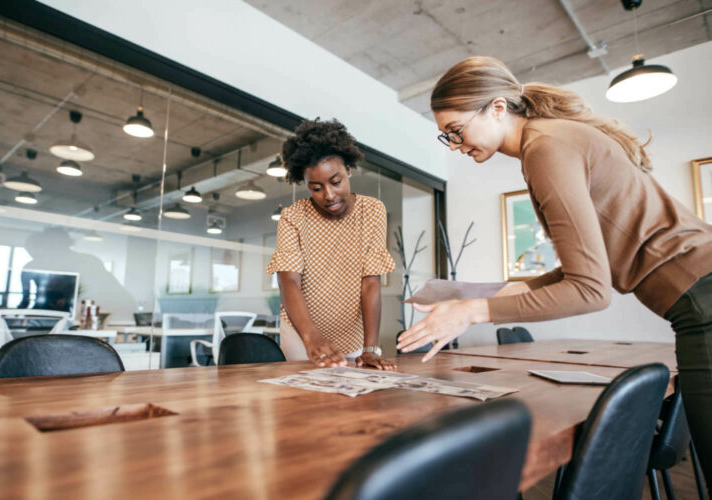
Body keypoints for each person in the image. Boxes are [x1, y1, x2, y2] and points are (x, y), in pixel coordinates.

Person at [396, 56, 712, 485]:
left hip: (702, 301)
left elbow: (590, 290)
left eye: (457, 131)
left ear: (497, 107)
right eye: (446, 136)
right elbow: (587, 269)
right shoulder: (550, 140)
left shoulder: (545, 147)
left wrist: (472, 312)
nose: (455, 145)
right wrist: (505, 292)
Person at [267, 119, 397, 371]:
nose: (328, 195)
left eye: (335, 182)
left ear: (348, 169)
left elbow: (370, 282)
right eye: (316, 188)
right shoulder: (293, 217)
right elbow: (288, 280)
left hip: (353, 337)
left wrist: (370, 349)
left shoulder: (372, 211)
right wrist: (310, 336)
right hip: (302, 335)